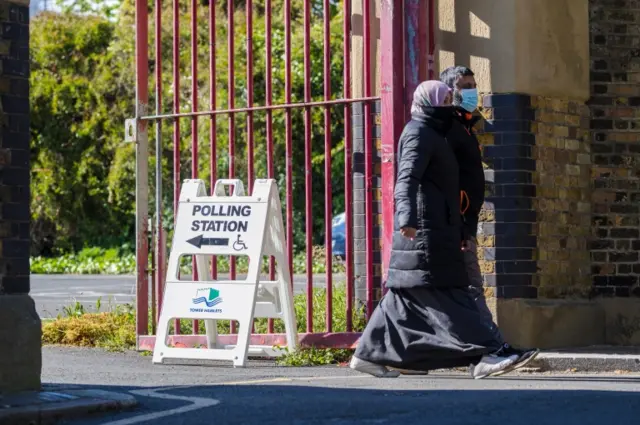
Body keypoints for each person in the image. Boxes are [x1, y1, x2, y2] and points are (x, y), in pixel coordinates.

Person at [349, 80, 519, 380]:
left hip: (439, 227)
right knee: (451, 292)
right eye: (444, 99)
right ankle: (486, 353)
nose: (449, 103)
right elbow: (406, 179)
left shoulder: (434, 133)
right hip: (424, 232)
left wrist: (462, 230)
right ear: (429, 103)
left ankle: (366, 354)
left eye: (449, 98)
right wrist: (407, 219)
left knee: (402, 299)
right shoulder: (418, 133)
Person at [440, 66, 540, 374]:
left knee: (426, 291)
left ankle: (386, 350)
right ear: (448, 92)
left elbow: (490, 146)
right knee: (469, 286)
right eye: (463, 86)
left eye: (473, 84)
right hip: (453, 222)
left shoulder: (467, 123)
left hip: (462, 220)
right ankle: (492, 349)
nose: (470, 91)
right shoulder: (446, 128)